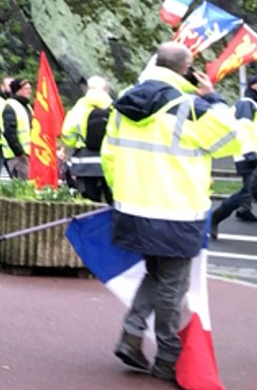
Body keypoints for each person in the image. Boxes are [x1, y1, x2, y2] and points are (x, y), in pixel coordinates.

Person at [104, 42, 243, 381]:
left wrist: (121, 195)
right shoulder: (191, 108)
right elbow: (233, 139)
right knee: (173, 284)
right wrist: (215, 98)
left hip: (133, 209)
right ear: (186, 69)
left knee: (155, 273)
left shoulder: (125, 103)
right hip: (177, 212)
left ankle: (132, 334)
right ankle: (167, 356)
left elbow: (110, 156)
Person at [210, 75, 257, 238]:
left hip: (250, 154)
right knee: (246, 192)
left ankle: (244, 210)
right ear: (254, 86)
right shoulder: (247, 103)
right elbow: (243, 128)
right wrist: (249, 152)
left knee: (248, 191)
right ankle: (215, 218)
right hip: (248, 156)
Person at [60, 76, 113, 203]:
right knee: (112, 200)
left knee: (89, 202)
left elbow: (67, 132)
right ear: (105, 89)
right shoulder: (113, 106)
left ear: (88, 89)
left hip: (85, 162)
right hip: (108, 159)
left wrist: (74, 144)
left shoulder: (79, 107)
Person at [1, 78, 33, 179]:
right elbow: (9, 133)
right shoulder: (10, 107)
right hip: (16, 156)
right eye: (26, 88)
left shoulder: (27, 106)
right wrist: (20, 153)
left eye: (30, 88)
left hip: (28, 154)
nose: (29, 91)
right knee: (22, 187)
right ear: (18, 91)